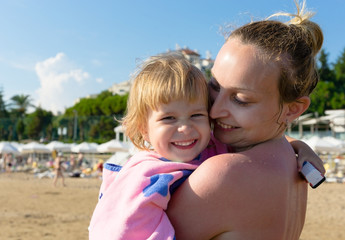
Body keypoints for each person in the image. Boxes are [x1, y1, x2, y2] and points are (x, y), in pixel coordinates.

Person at [167, 1, 325, 239]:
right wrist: (298, 144)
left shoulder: (225, 175)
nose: (215, 110)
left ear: (293, 109)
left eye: (240, 99)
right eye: (214, 86)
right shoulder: (293, 164)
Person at [89, 53, 228, 239]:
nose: (185, 128)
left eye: (197, 115)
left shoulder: (215, 145)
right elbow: (122, 229)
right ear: (144, 129)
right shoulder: (144, 176)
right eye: (169, 118)